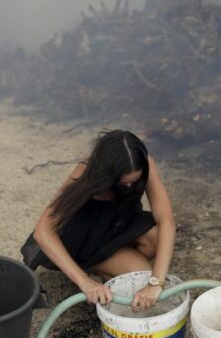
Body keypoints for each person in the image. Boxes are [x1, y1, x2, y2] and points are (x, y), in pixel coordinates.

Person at [20, 129, 175, 312]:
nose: (129, 187)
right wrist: (84, 282)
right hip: (87, 239)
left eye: (134, 182)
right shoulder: (85, 173)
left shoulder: (144, 163)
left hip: (119, 223)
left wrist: (156, 282)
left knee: (158, 239)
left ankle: (113, 265)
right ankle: (93, 268)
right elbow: (43, 231)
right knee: (139, 274)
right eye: (123, 184)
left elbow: (166, 221)